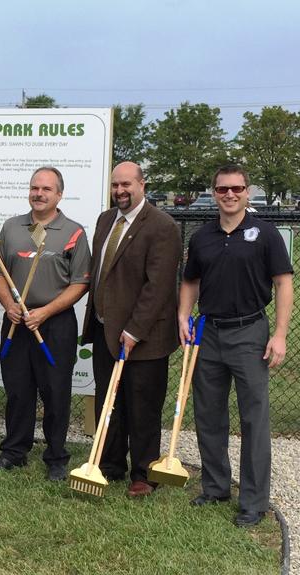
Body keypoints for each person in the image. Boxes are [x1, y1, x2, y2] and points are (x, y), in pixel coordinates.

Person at [179, 165, 293, 527]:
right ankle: (214, 487)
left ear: (247, 192)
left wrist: (279, 334)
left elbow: (283, 283)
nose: (230, 194)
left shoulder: (266, 233)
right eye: (223, 189)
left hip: (249, 333)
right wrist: (184, 316)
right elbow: (190, 280)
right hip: (209, 332)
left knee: (253, 419)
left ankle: (254, 501)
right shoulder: (201, 237)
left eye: (237, 189)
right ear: (214, 193)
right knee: (209, 414)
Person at [81, 161, 181, 497]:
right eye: (115, 186)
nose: (120, 191)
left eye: (127, 185)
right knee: (110, 404)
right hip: (105, 330)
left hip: (144, 339)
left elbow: (159, 286)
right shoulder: (106, 220)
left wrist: (135, 331)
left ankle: (144, 472)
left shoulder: (162, 226)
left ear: (142, 185)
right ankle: (110, 464)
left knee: (142, 406)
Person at [0, 167, 90, 481]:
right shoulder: (11, 227)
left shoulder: (74, 232)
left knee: (56, 391)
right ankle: (14, 452)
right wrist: (9, 306)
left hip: (54, 324)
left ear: (59, 194)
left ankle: (56, 457)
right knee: (18, 390)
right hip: (17, 323)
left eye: (46, 189)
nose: (39, 194)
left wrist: (46, 311)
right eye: (35, 188)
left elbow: (80, 283)